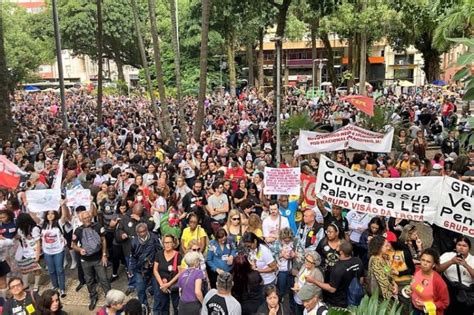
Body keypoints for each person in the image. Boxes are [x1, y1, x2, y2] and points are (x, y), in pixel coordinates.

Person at [72, 210, 111, 310]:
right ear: (81, 219)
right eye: (84, 218)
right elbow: (73, 245)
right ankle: (93, 297)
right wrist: (80, 249)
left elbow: (104, 240)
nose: (87, 219)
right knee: (89, 280)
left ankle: (110, 298)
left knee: (104, 279)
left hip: (98, 258)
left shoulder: (98, 226)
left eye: (88, 217)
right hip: (85, 260)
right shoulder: (78, 230)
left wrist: (104, 254)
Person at [308, 241, 363, 308]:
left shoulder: (338, 268)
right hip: (354, 298)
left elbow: (332, 289)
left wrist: (313, 280)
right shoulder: (358, 261)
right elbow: (361, 279)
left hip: (338, 302)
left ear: (341, 252)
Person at [437, 236, 474, 314]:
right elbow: (437, 269)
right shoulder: (447, 255)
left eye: (464, 246)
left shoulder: (472, 259)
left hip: (465, 295)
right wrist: (451, 262)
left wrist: (466, 265)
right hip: (448, 291)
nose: (461, 248)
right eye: (459, 245)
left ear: (469, 248)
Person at [128, 223, 161, 308]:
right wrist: (131, 269)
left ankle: (157, 309)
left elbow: (160, 252)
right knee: (140, 289)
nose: (142, 234)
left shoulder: (154, 238)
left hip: (154, 268)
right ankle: (144, 306)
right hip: (140, 269)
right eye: (140, 232)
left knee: (157, 290)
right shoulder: (134, 241)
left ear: (147, 230)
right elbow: (132, 256)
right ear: (137, 233)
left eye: (144, 231)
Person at [40, 208, 70, 298]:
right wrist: (29, 206)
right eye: (48, 213)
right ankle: (55, 285)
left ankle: (62, 288)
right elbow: (34, 217)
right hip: (47, 251)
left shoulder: (59, 223)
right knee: (51, 270)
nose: (50, 215)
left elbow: (64, 215)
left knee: (60, 270)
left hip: (58, 251)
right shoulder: (43, 224)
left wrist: (63, 205)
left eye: (52, 213)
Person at [410, 248, 449, 315]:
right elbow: (415, 285)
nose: (424, 263)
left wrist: (426, 304)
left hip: (429, 312)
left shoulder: (439, 282)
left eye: (428, 262)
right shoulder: (417, 269)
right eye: (423, 260)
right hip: (414, 308)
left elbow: (445, 303)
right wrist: (410, 292)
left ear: (433, 264)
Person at [152, 234, 182, 315]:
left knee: (177, 306)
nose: (167, 245)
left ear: (173, 243)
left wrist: (168, 284)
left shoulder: (178, 255)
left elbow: (180, 272)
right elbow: (155, 270)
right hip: (162, 284)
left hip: (174, 284)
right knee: (163, 307)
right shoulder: (158, 254)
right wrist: (162, 284)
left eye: (169, 242)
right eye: (165, 242)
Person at [367, 235, 397, 300]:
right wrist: (393, 289)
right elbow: (382, 279)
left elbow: (388, 271)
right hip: (381, 294)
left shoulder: (384, 257)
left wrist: (394, 283)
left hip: (389, 290)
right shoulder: (375, 260)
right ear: (378, 247)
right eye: (386, 246)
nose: (388, 248)